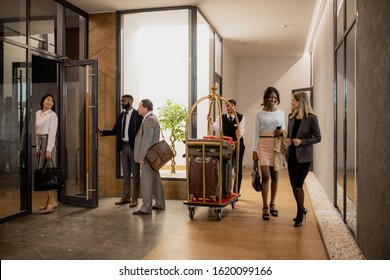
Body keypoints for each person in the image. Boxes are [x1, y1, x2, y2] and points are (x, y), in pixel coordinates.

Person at [99, 94, 143, 207]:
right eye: (121, 101)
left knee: (136, 174)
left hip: (134, 149)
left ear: (130, 102)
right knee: (126, 173)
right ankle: (126, 197)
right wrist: (102, 132)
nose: (121, 103)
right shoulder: (120, 116)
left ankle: (135, 198)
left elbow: (142, 133)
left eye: (123, 101)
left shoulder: (138, 116)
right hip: (123, 147)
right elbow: (115, 131)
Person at [286, 91, 321, 227]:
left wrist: (302, 142)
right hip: (292, 156)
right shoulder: (291, 117)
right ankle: (302, 208)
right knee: (293, 185)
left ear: (300, 102)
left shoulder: (312, 118)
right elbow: (290, 135)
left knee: (298, 184)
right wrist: (288, 140)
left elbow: (318, 137)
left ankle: (300, 214)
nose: (292, 103)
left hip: (304, 158)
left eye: (294, 101)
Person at [252, 86, 285, 220]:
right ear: (266, 98)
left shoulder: (281, 113)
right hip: (263, 145)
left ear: (277, 99)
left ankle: (273, 204)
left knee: (275, 176)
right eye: (271, 97)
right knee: (265, 176)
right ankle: (265, 205)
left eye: (275, 97)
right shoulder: (258, 113)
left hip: (276, 145)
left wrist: (281, 132)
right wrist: (254, 150)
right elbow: (256, 133)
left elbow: (283, 129)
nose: (273, 99)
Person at [133, 99, 165, 215]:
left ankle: (146, 207)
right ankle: (160, 203)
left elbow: (146, 141)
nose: (138, 108)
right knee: (156, 180)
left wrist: (141, 156)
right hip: (152, 156)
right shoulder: (150, 118)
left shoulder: (149, 120)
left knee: (146, 181)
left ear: (145, 108)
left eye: (140, 106)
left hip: (147, 156)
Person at [208, 99, 245, 193]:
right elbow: (215, 127)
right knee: (225, 167)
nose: (229, 107)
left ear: (234, 106)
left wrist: (239, 133)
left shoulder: (240, 117)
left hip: (238, 145)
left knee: (238, 169)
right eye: (227, 105)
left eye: (231, 105)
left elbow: (242, 129)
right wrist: (211, 122)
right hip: (226, 146)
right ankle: (225, 190)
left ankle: (236, 191)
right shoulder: (221, 117)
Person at [35, 93, 58, 214]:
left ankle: (52, 201)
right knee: (44, 173)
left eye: (52, 101)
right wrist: (37, 147)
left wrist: (48, 149)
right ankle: (49, 201)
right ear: (43, 101)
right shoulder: (38, 113)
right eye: (48, 100)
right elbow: (36, 131)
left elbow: (52, 133)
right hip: (41, 143)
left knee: (48, 173)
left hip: (48, 143)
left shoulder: (52, 115)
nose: (50, 102)